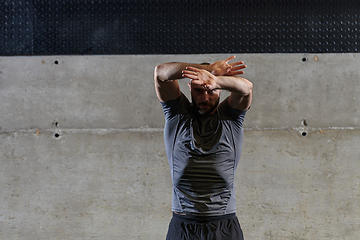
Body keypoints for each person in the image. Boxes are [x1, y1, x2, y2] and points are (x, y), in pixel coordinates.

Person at [154, 56, 253, 240]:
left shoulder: (231, 118)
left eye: (212, 91)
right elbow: (161, 73)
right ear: (190, 87)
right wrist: (203, 69)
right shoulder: (178, 114)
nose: (205, 97)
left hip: (223, 226)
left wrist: (215, 80)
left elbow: (246, 89)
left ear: (221, 90)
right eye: (199, 90)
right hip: (183, 226)